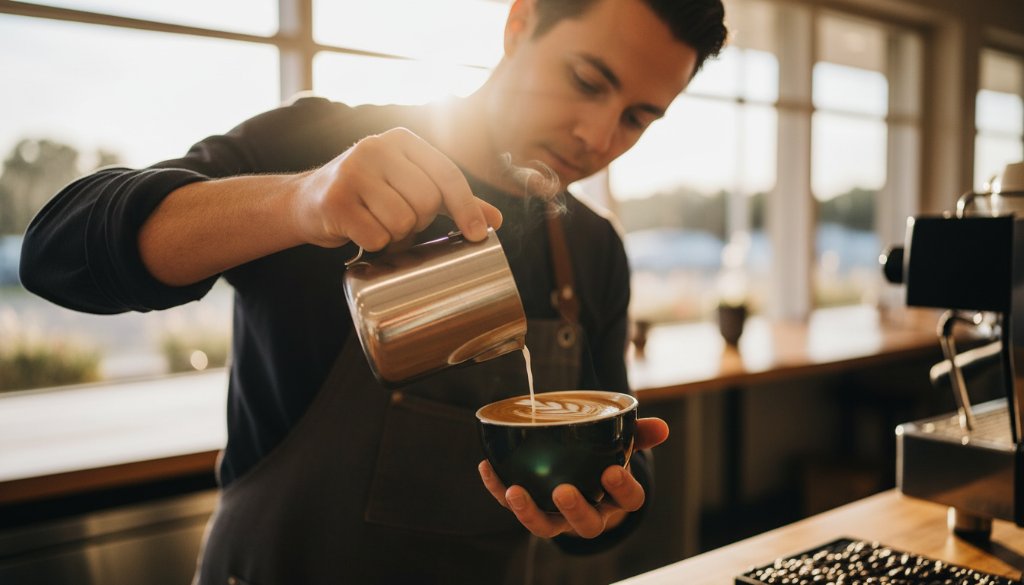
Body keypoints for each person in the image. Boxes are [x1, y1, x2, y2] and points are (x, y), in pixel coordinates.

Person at [20, 0, 727, 582]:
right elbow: (56, 253)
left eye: (638, 117)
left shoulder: (594, 249)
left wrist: (608, 505)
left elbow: (610, 464)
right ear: (519, 25)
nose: (597, 136)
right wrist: (299, 202)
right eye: (585, 79)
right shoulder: (325, 146)